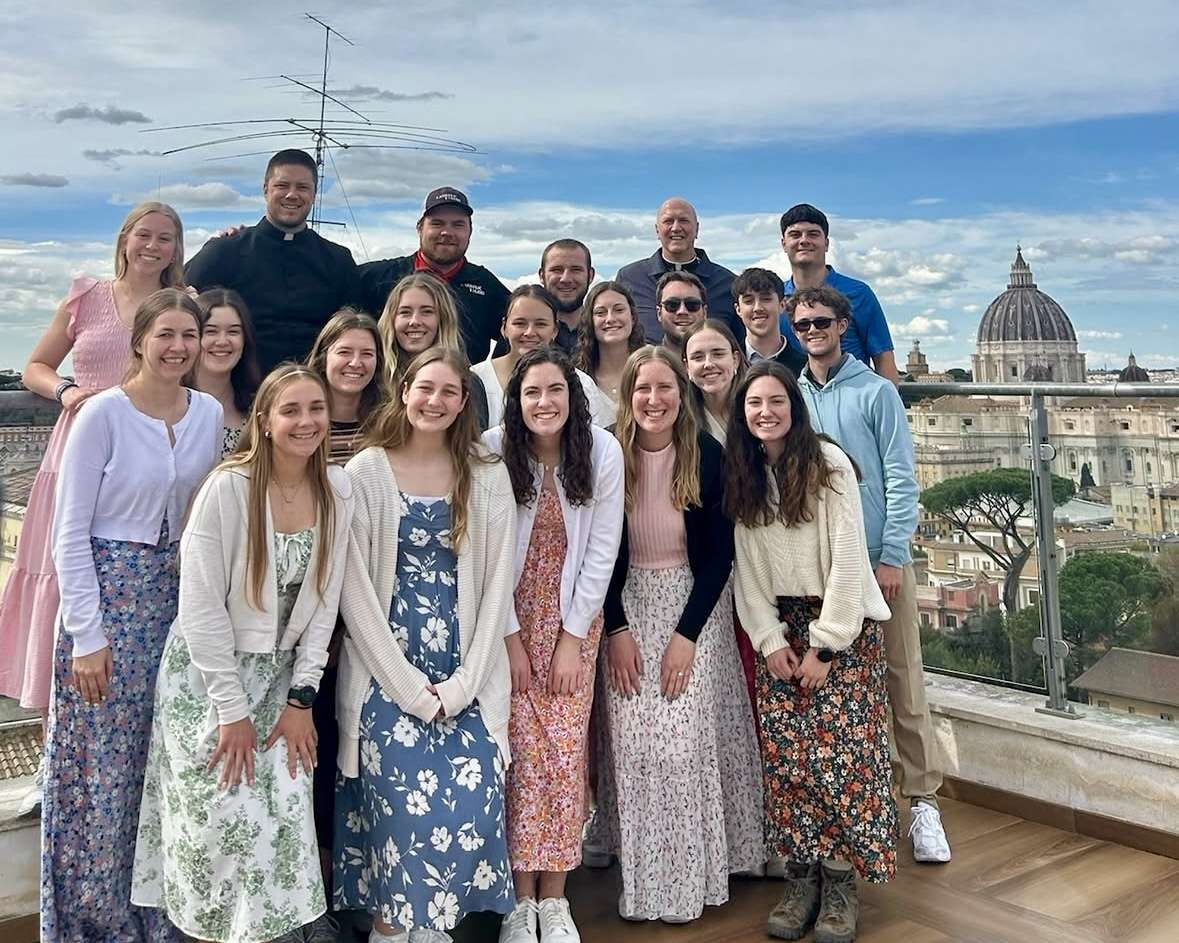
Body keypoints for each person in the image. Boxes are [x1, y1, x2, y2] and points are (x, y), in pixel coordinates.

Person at [131, 364, 354, 943]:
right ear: (264, 420)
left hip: (281, 684)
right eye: (291, 410)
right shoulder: (228, 488)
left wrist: (303, 697)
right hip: (209, 681)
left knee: (281, 818)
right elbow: (200, 610)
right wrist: (230, 711)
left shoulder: (336, 490)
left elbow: (325, 605)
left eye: (316, 409)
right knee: (218, 821)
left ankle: (283, 930)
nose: (306, 422)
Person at [40, 288, 223, 942]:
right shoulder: (103, 415)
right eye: (165, 334)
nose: (178, 347)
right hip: (109, 604)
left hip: (176, 606)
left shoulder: (207, 414)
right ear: (140, 340)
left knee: (161, 767)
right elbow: (70, 532)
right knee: (98, 776)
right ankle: (93, 922)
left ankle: (158, 916)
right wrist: (87, 634)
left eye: (189, 335)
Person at [0, 200, 187, 817]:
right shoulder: (86, 297)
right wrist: (70, 392)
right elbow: (34, 366)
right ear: (125, 239)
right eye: (144, 235)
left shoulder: (185, 305)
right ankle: (56, 755)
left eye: (166, 237)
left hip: (149, 464)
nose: (153, 246)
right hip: (81, 450)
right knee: (66, 591)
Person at [333, 347, 517, 941]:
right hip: (386, 673)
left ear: (465, 402)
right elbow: (353, 591)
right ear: (403, 391)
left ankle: (431, 928)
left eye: (449, 392)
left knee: (472, 800)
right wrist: (409, 689)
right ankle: (391, 929)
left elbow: (496, 591)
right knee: (400, 817)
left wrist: (465, 685)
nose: (434, 401)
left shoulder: (486, 472)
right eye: (424, 388)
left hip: (468, 672)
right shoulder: (365, 473)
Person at [727, 359, 897, 942]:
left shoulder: (827, 465)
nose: (765, 412)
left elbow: (849, 558)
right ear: (741, 413)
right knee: (790, 763)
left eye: (776, 401)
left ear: (793, 409)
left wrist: (825, 646)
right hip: (780, 625)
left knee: (842, 760)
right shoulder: (744, 471)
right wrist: (769, 639)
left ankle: (841, 881)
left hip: (837, 623)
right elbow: (746, 569)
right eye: (754, 404)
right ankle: (802, 877)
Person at [595, 346, 763, 923]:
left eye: (666, 388)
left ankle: (691, 878)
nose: (654, 400)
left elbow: (720, 559)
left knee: (682, 738)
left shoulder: (708, 457)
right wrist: (616, 627)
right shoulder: (606, 457)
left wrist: (687, 636)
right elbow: (595, 556)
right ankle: (646, 883)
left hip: (694, 605)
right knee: (636, 740)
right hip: (627, 603)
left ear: (681, 394)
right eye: (643, 389)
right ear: (629, 395)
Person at [790, 285, 951, 865]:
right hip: (820, 564)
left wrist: (890, 556)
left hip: (878, 560)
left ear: (842, 325)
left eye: (822, 322)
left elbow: (903, 479)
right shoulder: (791, 396)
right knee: (840, 689)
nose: (813, 331)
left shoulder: (879, 393)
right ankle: (855, 806)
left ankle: (924, 802)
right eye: (803, 324)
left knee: (903, 678)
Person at [483, 348, 624, 943]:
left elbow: (602, 552)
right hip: (503, 624)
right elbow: (485, 559)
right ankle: (521, 900)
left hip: (573, 622)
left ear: (574, 398)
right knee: (516, 758)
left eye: (555, 392)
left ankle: (556, 898)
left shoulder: (600, 452)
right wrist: (509, 641)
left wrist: (572, 640)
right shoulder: (491, 451)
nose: (544, 403)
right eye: (532, 392)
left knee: (564, 760)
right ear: (515, 401)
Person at [185, 148, 362, 373]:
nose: (292, 194)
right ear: (265, 190)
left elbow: (356, 329)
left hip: (314, 390)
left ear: (314, 194)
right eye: (282, 185)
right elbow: (179, 302)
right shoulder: (224, 251)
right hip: (239, 390)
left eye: (302, 187)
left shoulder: (339, 261)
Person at [359, 187, 510, 364]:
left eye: (458, 224)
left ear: (470, 231)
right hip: (387, 387)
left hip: (463, 388)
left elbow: (520, 330)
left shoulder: (486, 285)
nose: (447, 232)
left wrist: (495, 372)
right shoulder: (376, 278)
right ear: (420, 228)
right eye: (437, 223)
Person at [779, 204, 899, 384]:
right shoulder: (775, 298)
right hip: (795, 405)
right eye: (795, 235)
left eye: (813, 234)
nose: (804, 240)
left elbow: (884, 359)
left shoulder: (859, 293)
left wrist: (888, 406)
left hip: (854, 402)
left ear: (826, 244)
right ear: (784, 244)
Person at [472, 285, 611, 429]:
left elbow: (594, 441)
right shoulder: (476, 378)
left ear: (555, 330)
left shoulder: (582, 384)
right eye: (520, 323)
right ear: (504, 327)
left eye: (540, 324)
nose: (530, 332)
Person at [378, 272, 491, 431]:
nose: (415, 321)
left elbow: (473, 446)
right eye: (405, 312)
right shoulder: (374, 379)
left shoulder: (467, 382)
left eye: (427, 312)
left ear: (443, 319)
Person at [615, 198, 739, 343]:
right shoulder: (630, 278)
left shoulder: (728, 283)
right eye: (668, 221)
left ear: (697, 229)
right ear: (657, 230)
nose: (676, 228)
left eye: (683, 220)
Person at [307, 308, 389, 465]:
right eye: (344, 352)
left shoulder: (388, 424)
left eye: (367, 354)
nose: (355, 363)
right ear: (323, 358)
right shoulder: (301, 420)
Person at [195, 287, 262, 455]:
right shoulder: (171, 404)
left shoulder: (259, 408)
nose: (222, 341)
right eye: (211, 331)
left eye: (233, 332)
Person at [574, 281, 646, 421]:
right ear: (590, 321)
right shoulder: (578, 379)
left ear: (632, 317)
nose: (610, 319)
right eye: (600, 313)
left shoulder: (654, 366)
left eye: (619, 310)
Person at [731, 267, 807, 377]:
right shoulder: (728, 365)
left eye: (766, 299)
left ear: (782, 305)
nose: (757, 308)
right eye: (748, 301)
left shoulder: (804, 367)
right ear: (738, 309)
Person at [682, 319, 746, 443]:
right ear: (687, 367)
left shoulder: (757, 410)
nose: (708, 364)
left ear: (735, 360)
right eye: (698, 357)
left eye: (718, 354)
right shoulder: (680, 420)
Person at [538, 239, 595, 352]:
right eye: (557, 270)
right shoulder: (525, 336)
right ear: (542, 275)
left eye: (576, 270)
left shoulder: (606, 333)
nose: (566, 279)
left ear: (590, 275)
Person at [654, 271, 709, 358]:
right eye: (672, 305)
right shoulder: (645, 365)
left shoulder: (723, 364)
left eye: (692, 305)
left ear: (704, 312)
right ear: (659, 313)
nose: (682, 311)